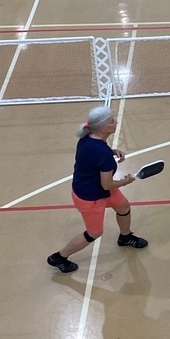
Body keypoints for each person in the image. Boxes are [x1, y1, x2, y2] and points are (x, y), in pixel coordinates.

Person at [47, 106, 148, 274]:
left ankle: (125, 237)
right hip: (90, 197)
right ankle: (59, 257)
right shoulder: (101, 153)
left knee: (123, 206)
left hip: (93, 187)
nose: (115, 123)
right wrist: (125, 181)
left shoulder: (88, 138)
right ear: (102, 128)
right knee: (94, 232)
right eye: (112, 121)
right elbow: (107, 185)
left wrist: (112, 151)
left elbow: (97, 155)